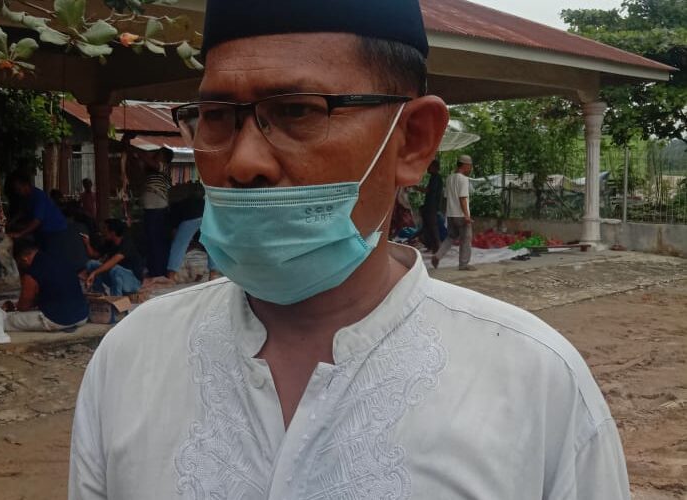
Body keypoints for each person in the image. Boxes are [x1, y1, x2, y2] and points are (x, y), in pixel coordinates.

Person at [69, 1, 629, 498]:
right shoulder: (132, 359)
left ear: (412, 141)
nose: (243, 162)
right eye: (217, 117)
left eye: (297, 111)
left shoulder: (533, 384)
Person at [0, 240, 88, 332]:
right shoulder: (57, 258)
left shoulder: (32, 273)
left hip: (59, 320)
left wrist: (13, 307)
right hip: (82, 316)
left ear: (24, 259)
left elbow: (23, 307)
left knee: (7, 320)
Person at [164, 181, 220, 284]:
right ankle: (213, 274)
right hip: (205, 214)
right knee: (211, 244)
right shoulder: (190, 199)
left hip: (191, 217)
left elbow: (175, 233)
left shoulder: (173, 207)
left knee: (179, 245)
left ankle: (171, 276)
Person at [432, 154, 475, 270]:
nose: (470, 168)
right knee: (466, 239)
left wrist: (446, 212)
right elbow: (462, 198)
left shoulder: (449, 178)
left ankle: (437, 255)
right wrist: (466, 215)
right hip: (461, 215)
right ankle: (463, 264)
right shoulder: (463, 179)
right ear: (465, 165)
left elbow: (446, 197)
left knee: (451, 237)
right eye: (470, 166)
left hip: (451, 214)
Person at [84, 218, 143, 296]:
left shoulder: (127, 243)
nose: (102, 231)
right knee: (91, 264)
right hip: (116, 277)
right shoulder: (109, 243)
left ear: (113, 232)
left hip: (133, 282)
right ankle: (100, 294)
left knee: (114, 269)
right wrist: (87, 243)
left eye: (105, 228)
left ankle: (116, 299)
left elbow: (113, 262)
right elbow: (94, 255)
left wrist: (94, 273)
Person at [139, 149, 171, 277]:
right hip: (151, 210)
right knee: (152, 241)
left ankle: (158, 271)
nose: (155, 155)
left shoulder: (164, 167)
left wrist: (137, 151)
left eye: (158, 154)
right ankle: (154, 270)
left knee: (156, 242)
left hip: (158, 209)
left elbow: (148, 161)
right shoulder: (150, 172)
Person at [418, 159, 443, 253]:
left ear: (435, 167)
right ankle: (431, 246)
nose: (428, 168)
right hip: (429, 205)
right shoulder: (434, 177)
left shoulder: (436, 178)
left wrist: (416, 187)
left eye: (430, 166)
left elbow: (428, 191)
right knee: (427, 227)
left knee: (432, 227)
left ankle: (437, 247)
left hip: (432, 206)